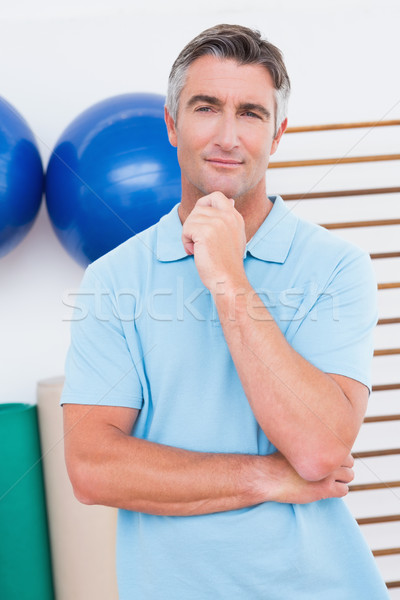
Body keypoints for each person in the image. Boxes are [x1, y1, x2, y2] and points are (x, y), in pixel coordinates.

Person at [62, 24, 389, 599]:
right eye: (206, 107)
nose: (228, 136)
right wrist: (265, 475)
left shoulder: (339, 268)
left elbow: (318, 449)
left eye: (252, 113)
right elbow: (93, 468)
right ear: (171, 123)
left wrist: (227, 277)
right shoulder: (112, 280)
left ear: (278, 134)